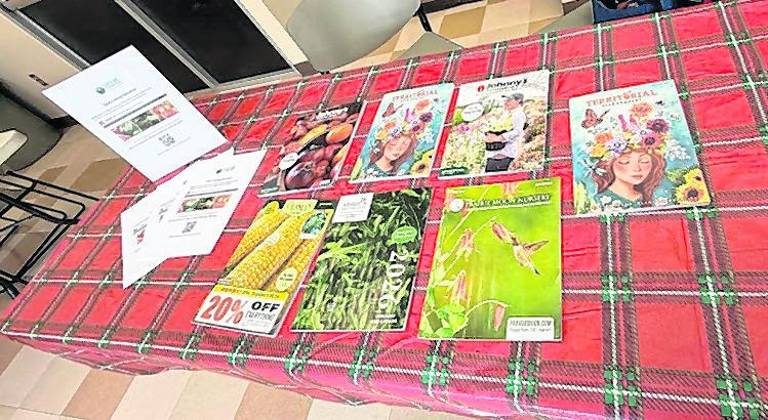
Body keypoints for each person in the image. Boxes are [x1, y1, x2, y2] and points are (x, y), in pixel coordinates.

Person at [592, 149, 666, 209]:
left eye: (644, 161)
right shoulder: (597, 202)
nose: (637, 169)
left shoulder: (655, 199)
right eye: (625, 162)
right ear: (608, 165)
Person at [484, 94, 527, 173]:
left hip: (505, 156)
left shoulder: (518, 114)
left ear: (518, 101)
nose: (506, 102)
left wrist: (500, 137)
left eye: (509, 100)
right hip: (494, 155)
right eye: (505, 100)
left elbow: (517, 131)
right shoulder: (506, 114)